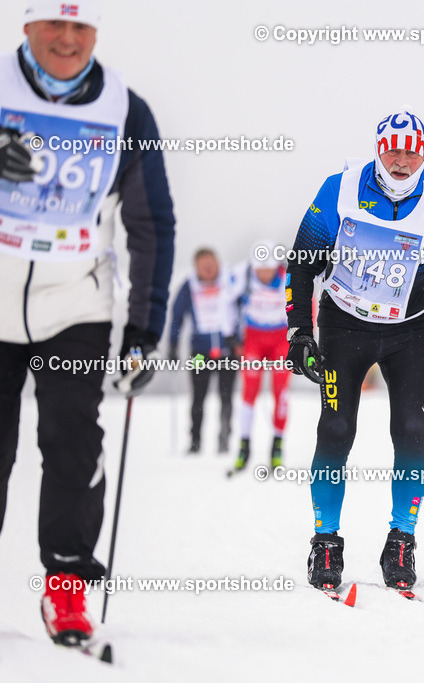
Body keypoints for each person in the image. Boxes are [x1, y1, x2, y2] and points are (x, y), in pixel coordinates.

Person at [0, 1, 175, 646]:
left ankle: (66, 589)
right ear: (27, 25)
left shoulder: (127, 112)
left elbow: (150, 223)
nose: (67, 40)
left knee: (73, 444)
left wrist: (144, 328)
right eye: (54, 23)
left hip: (75, 302)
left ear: (95, 32)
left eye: (80, 27)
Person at [285, 109, 424, 592]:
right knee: (336, 429)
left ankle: (402, 539)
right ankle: (326, 540)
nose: (401, 161)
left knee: (413, 430)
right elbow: (302, 262)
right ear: (379, 149)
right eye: (392, 150)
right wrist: (299, 332)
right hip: (343, 326)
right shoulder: (340, 187)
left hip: (410, 331)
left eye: (412, 151)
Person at [169, 248, 242, 454]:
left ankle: (224, 439)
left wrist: (242, 339)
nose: (208, 269)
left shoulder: (230, 282)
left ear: (218, 263)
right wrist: (173, 345)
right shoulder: (189, 286)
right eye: (203, 266)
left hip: (228, 350)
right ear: (196, 267)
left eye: (211, 264)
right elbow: (176, 316)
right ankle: (195, 441)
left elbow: (243, 309)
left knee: (226, 396)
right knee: (198, 396)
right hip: (199, 352)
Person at [231, 241, 290, 473]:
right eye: (259, 270)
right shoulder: (242, 274)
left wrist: (304, 337)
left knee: (280, 391)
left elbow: (308, 305)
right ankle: (244, 447)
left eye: (268, 269)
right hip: (253, 338)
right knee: (249, 392)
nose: (263, 274)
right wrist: (230, 336)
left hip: (280, 339)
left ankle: (277, 446)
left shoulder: (288, 277)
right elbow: (227, 302)